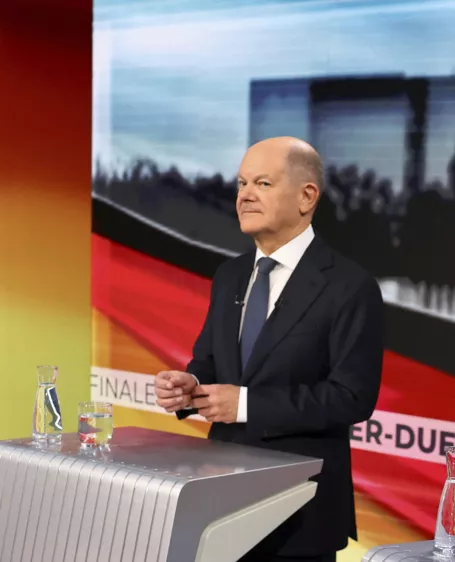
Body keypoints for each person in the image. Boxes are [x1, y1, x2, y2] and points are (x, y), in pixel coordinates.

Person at [153, 136, 385, 562]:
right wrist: (191, 385)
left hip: (300, 512)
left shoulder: (350, 286)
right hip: (219, 502)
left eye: (262, 183)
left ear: (306, 196)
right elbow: (209, 361)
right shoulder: (229, 274)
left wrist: (245, 405)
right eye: (241, 183)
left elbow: (352, 397)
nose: (245, 195)